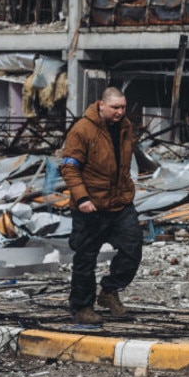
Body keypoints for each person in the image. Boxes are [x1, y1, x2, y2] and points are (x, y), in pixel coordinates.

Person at [60, 87, 143, 324]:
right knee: (86, 256)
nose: (120, 112)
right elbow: (70, 167)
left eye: (123, 107)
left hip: (119, 202)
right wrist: (83, 198)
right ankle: (82, 307)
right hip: (91, 205)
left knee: (133, 247)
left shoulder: (125, 126)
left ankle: (109, 292)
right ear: (102, 105)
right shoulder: (82, 130)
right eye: (115, 108)